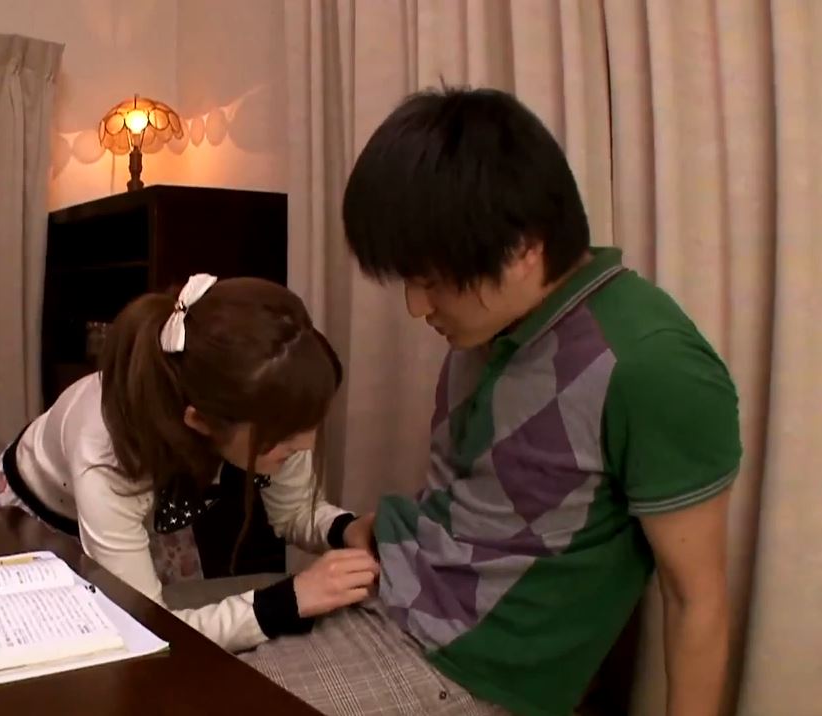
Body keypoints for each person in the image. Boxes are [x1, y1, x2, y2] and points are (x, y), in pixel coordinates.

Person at [241, 88, 741, 716]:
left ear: (524, 246)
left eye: (431, 282)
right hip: (384, 598)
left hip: (463, 671)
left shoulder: (651, 364)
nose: (416, 307)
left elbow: (696, 601)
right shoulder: (490, 326)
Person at [0, 275, 380, 652]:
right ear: (200, 422)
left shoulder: (267, 406)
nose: (306, 445)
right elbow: (148, 628)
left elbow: (294, 511)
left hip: (143, 510)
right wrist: (285, 603)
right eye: (285, 439)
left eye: (309, 426)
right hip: (34, 520)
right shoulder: (108, 460)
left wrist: (347, 528)